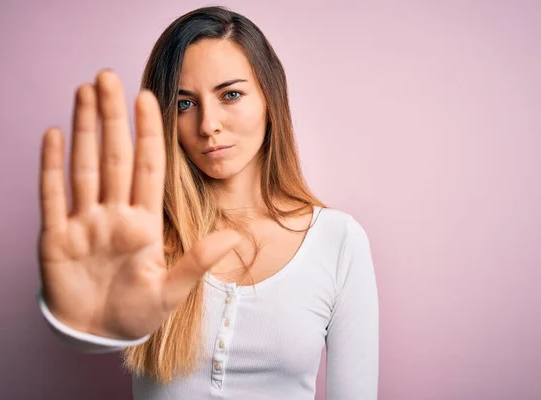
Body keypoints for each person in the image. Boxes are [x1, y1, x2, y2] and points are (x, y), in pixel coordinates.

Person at [36, 5, 379, 400]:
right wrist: (82, 322)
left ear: (270, 97)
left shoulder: (338, 240)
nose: (207, 125)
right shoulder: (143, 235)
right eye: (185, 103)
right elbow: (101, 328)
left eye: (230, 94)